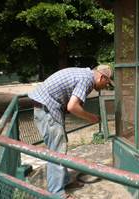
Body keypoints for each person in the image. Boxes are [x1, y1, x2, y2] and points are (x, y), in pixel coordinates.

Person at [28, 64, 114, 199]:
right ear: (102, 77)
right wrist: (91, 118)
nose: (105, 86)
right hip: (47, 110)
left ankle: (64, 181)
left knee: (59, 148)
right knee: (56, 152)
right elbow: (73, 106)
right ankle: (57, 193)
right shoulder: (86, 79)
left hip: (46, 108)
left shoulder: (84, 75)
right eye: (106, 83)